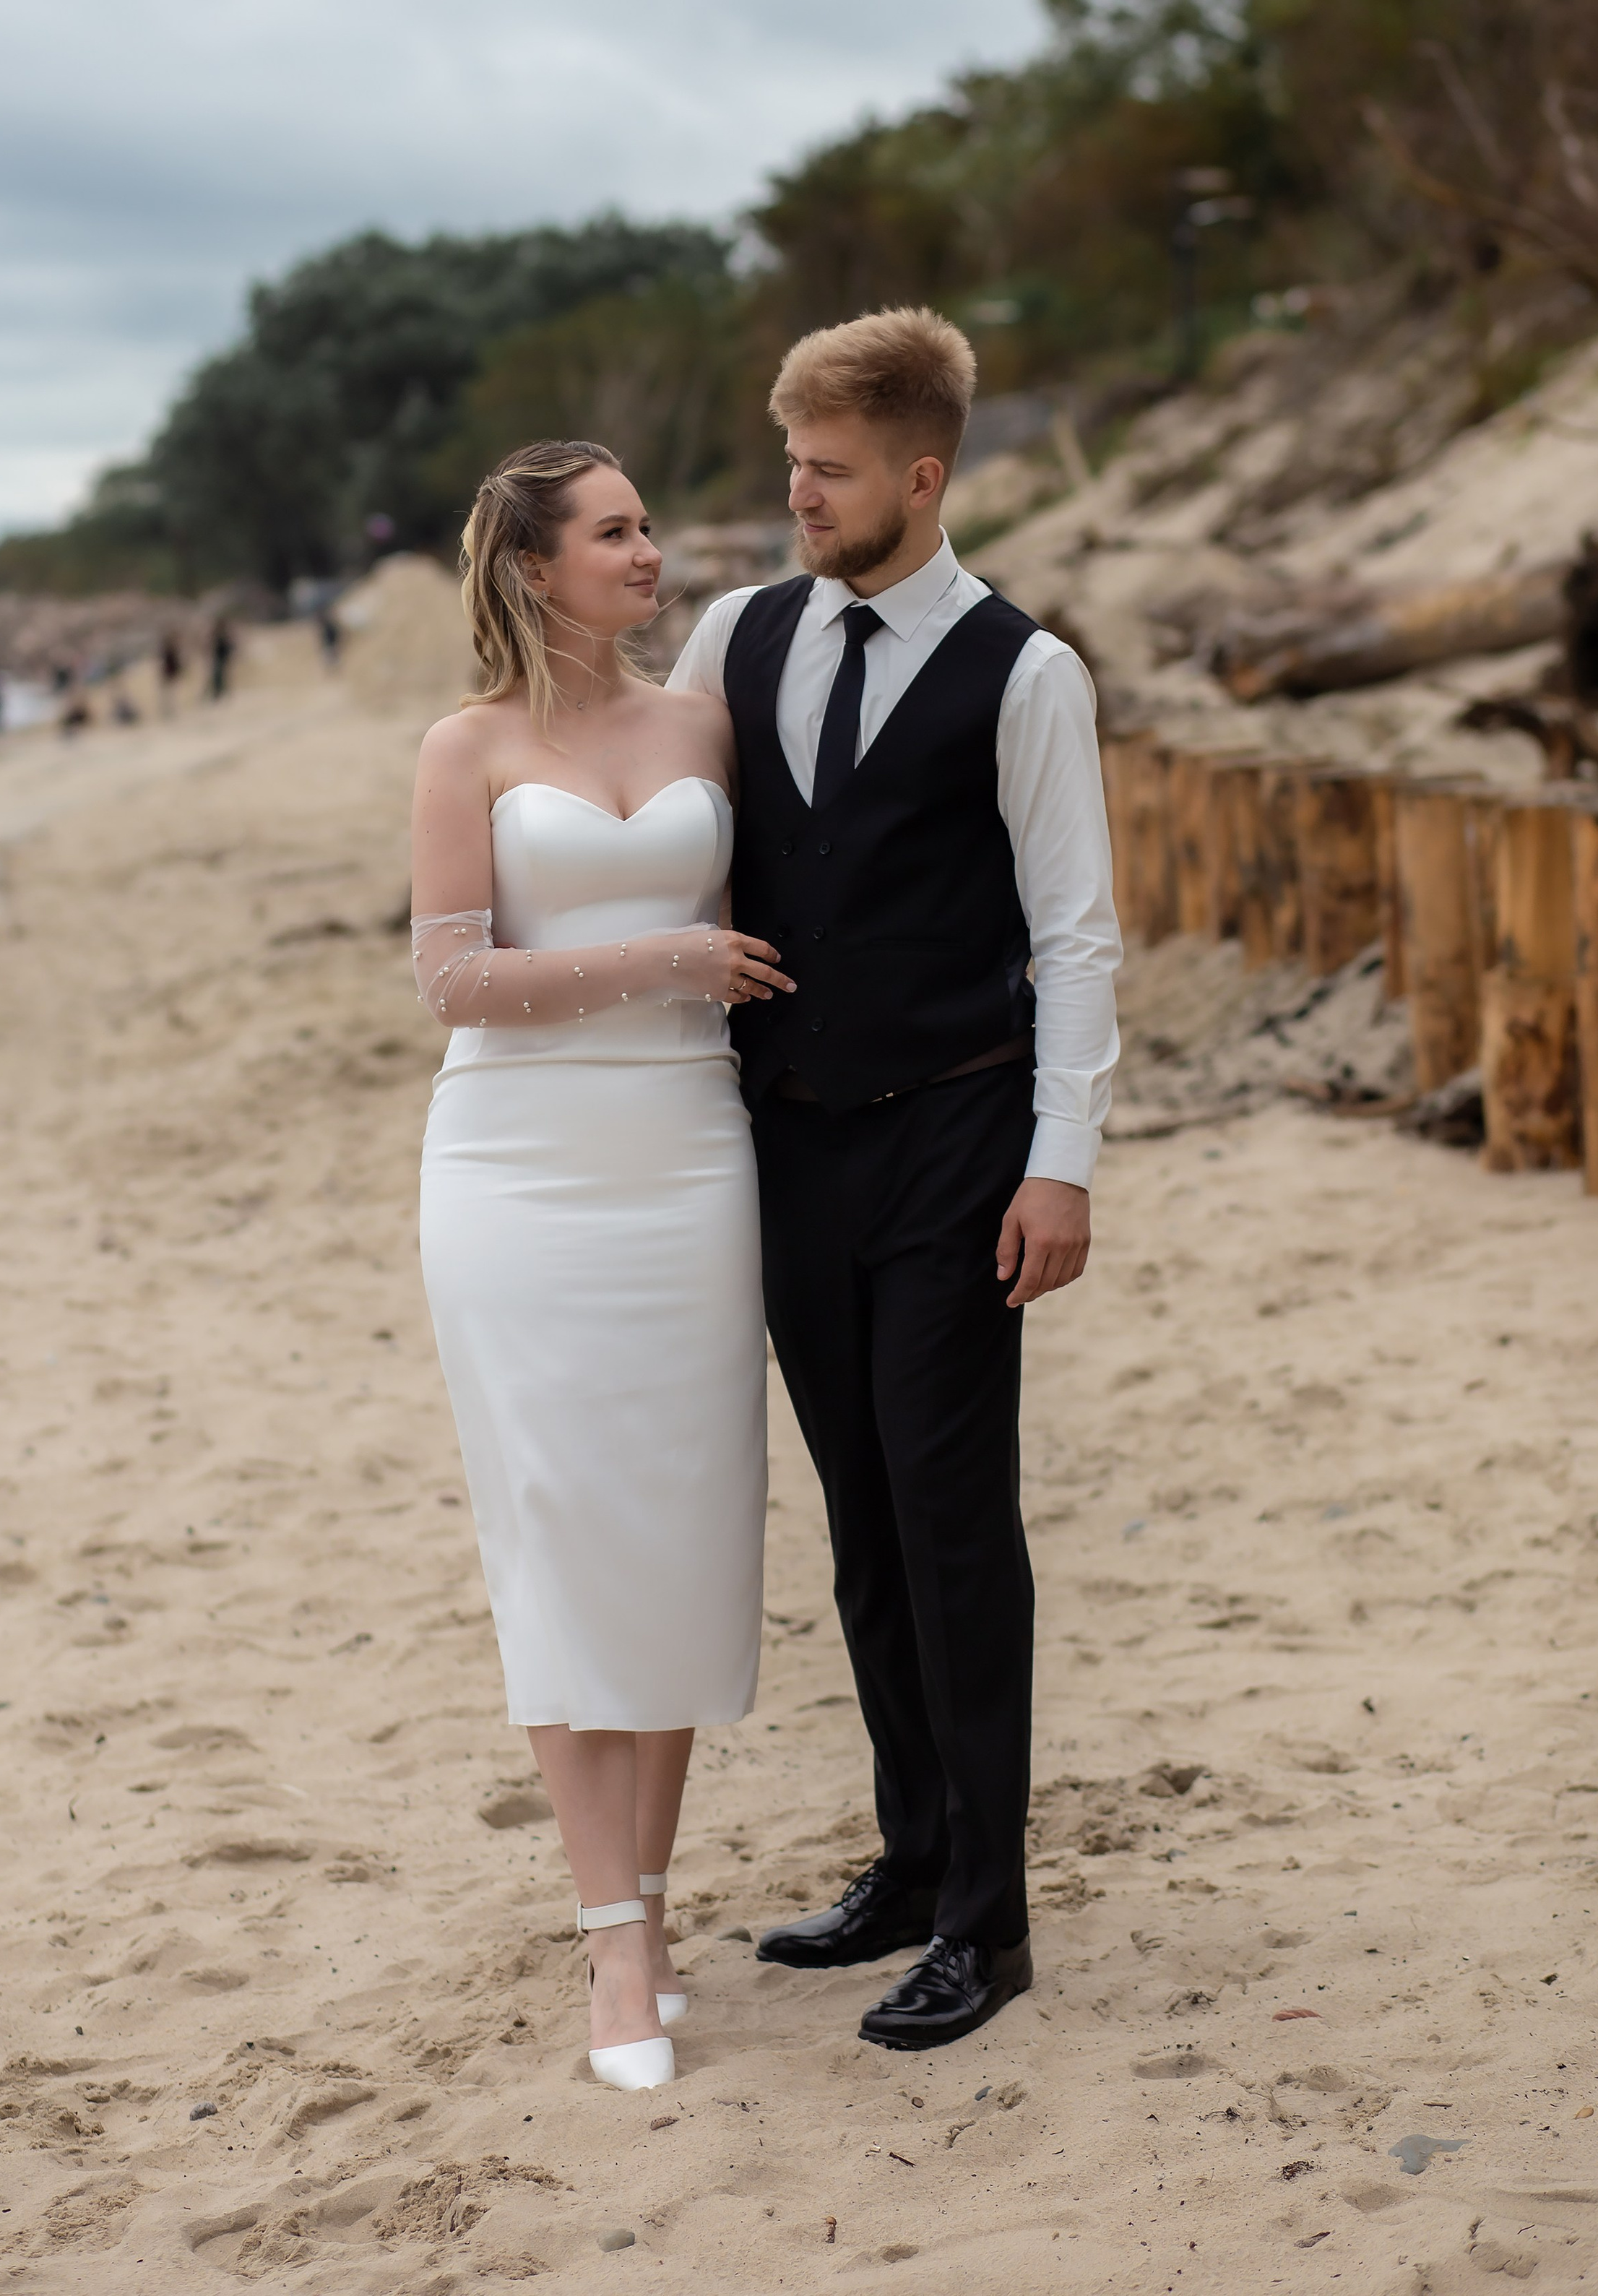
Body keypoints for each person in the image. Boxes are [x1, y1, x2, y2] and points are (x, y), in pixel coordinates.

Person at [668, 308, 1120, 2053]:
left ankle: (989, 1926)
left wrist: (1056, 1166)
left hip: (952, 1144)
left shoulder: (1025, 672)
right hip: (783, 1144)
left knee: (950, 1527)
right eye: (789, 459)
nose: (797, 492)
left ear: (920, 478)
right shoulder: (736, 628)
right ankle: (910, 1859)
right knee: (859, 1519)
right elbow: (664, 814)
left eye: (829, 469)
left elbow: (1075, 940)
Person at [410, 439, 784, 2093]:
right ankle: (612, 1940)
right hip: (516, 1163)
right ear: (534, 565)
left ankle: (655, 1893)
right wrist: (668, 952)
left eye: (648, 524)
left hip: (690, 1153)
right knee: (559, 1528)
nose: (652, 549)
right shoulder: (465, 746)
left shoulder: (705, 716)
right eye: (617, 530)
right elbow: (450, 978)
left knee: (678, 1526)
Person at [208, 617, 236, 699]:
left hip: (222, 659)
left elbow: (229, 647)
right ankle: (218, 694)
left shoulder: (224, 635)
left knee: (223, 678)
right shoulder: (217, 635)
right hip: (218, 659)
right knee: (218, 678)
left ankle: (223, 694)